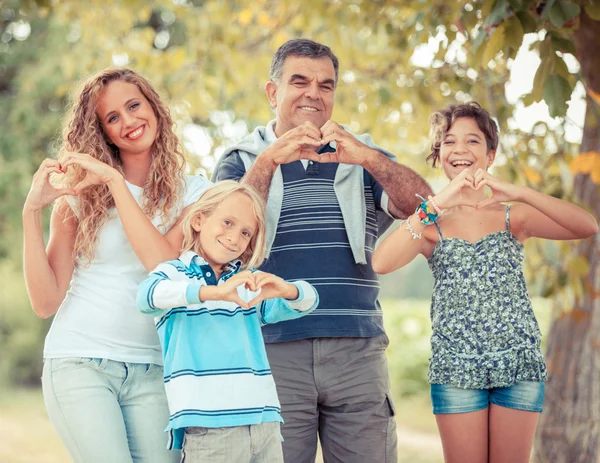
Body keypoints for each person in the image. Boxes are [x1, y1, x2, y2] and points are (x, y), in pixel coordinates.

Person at [212, 38, 432, 463]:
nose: (314, 92)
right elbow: (224, 248)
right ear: (273, 93)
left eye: (326, 85)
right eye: (300, 81)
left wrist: (368, 158)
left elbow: (425, 209)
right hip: (271, 348)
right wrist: (268, 162)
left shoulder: (364, 156)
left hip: (357, 350)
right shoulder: (241, 160)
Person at [372, 101, 598, 463]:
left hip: (518, 366)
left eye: (472, 141)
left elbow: (586, 225)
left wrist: (519, 192)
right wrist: (436, 202)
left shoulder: (512, 216)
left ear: (490, 155)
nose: (460, 149)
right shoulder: (431, 223)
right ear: (439, 156)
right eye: (448, 142)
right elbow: (381, 262)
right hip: (455, 369)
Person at [22, 68, 211, 463]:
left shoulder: (196, 193)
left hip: (156, 368)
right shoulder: (80, 197)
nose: (128, 122)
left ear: (153, 107)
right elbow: (45, 302)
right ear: (103, 132)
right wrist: (30, 212)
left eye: (133, 106)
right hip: (80, 361)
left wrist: (114, 182)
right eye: (112, 118)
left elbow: (162, 264)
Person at [136, 180, 319, 463]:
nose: (234, 237)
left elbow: (309, 300)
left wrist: (287, 290)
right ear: (199, 220)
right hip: (210, 427)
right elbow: (146, 297)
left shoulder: (247, 285)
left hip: (264, 422)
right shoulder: (173, 274)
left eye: (246, 232)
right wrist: (214, 292)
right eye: (227, 222)